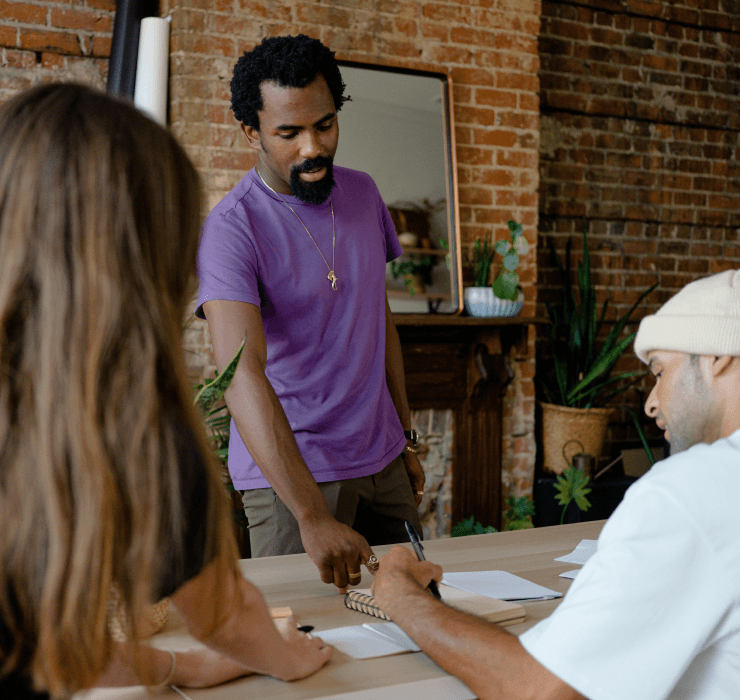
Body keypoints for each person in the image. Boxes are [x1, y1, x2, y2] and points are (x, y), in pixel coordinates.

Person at [0, 83, 331, 700]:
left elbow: (49, 648)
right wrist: (288, 660)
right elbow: (225, 616)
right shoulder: (135, 429)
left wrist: (184, 668)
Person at [372, 269, 740, 700]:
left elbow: (540, 690)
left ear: (717, 357)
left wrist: (401, 596)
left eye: (660, 372)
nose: (651, 402)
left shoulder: (694, 491)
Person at [196, 34, 425, 591]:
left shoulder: (365, 194)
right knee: (301, 644)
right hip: (292, 485)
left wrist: (406, 439)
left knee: (416, 618)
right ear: (252, 132)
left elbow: (379, 319)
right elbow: (239, 375)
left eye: (324, 125)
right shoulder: (231, 229)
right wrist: (310, 514)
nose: (312, 148)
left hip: (383, 463)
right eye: (289, 133)